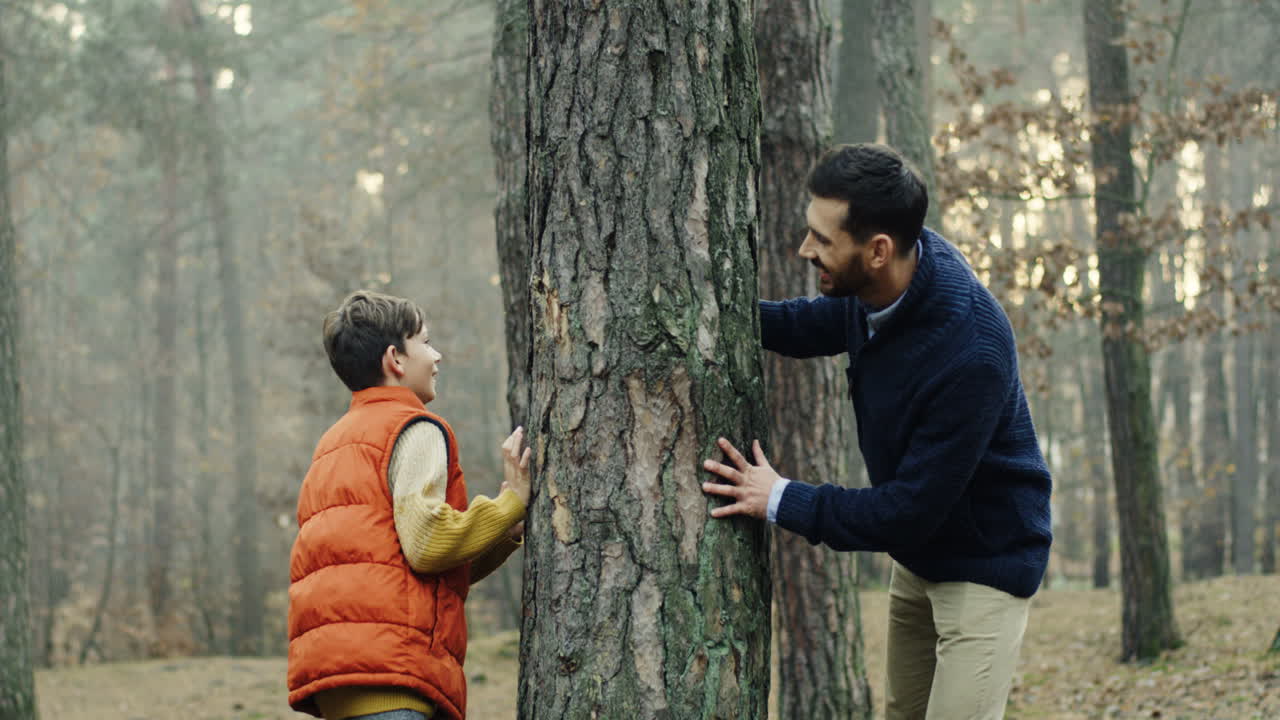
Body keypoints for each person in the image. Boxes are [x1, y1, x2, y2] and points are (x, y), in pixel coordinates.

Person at [701, 143, 1052, 720]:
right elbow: (809, 323)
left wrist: (781, 498)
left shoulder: (970, 352)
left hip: (986, 566)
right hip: (918, 558)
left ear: (878, 251)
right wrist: (710, 309)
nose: (804, 248)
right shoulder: (880, 287)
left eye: (821, 239)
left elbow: (908, 509)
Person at [287, 290, 531, 720]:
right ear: (395, 359)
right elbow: (429, 544)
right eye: (425, 341)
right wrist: (509, 502)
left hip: (341, 683)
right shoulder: (415, 429)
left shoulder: (334, 443)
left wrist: (501, 536)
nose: (436, 356)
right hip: (395, 681)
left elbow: (407, 572)